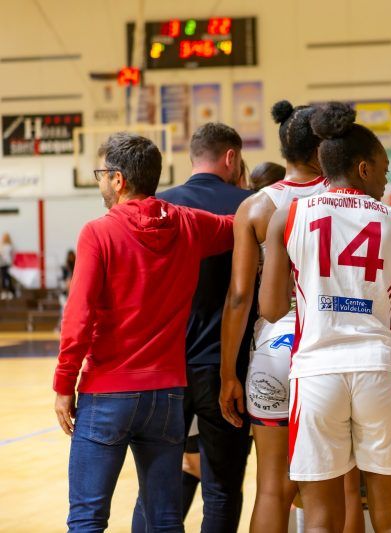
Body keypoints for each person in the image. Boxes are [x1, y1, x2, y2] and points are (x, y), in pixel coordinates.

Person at [259, 101, 391, 532]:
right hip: (377, 372)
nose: (386, 179)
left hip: (315, 374)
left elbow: (270, 309)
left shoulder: (287, 216)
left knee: (322, 518)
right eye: (383, 169)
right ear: (363, 169)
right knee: (390, 517)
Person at [52, 133, 235, 532]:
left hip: (107, 393)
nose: (100, 181)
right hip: (168, 395)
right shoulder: (188, 224)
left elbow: (78, 318)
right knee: (165, 518)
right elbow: (240, 225)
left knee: (87, 518)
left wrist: (65, 383)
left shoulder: (97, 233)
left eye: (101, 174)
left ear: (118, 180)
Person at [219, 100, 328, 533]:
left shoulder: (257, 206)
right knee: (334, 486)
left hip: (273, 350)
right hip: (329, 348)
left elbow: (240, 296)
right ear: (324, 149)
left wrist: (229, 372)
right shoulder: (343, 201)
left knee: (271, 487)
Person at [156, 122, 254, 533]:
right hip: (225, 367)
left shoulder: (159, 205)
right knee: (223, 487)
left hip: (166, 367)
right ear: (231, 158)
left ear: (192, 157)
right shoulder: (252, 205)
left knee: (157, 486)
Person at [0, 233, 14, 299]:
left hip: (6, 264)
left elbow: (12, 255)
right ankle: (5, 293)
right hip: (4, 264)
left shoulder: (8, 246)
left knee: (7, 278)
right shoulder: (2, 246)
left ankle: (9, 292)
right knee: (5, 278)